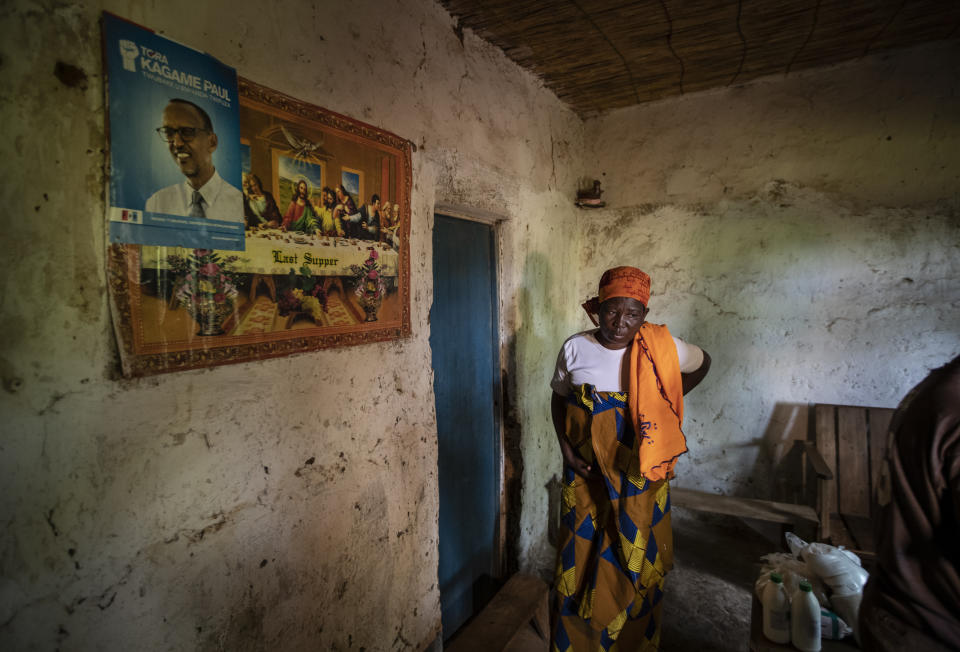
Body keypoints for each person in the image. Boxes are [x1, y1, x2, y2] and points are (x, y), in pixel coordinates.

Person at [550, 266, 711, 652]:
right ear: (598, 307)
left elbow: (704, 362)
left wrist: (667, 397)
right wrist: (566, 449)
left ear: (645, 313)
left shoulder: (661, 348)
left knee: (636, 555)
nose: (620, 324)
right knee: (581, 554)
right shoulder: (576, 347)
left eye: (632, 314)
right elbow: (559, 398)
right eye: (611, 311)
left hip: (639, 472)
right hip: (586, 474)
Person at [859, 354, 960, 651]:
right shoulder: (951, 403)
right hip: (929, 629)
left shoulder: (940, 388)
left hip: (904, 615)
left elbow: (709, 362)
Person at [146, 98, 243, 222]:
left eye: (187, 132)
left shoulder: (239, 202)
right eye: (169, 133)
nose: (177, 143)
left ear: (212, 142)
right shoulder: (157, 204)